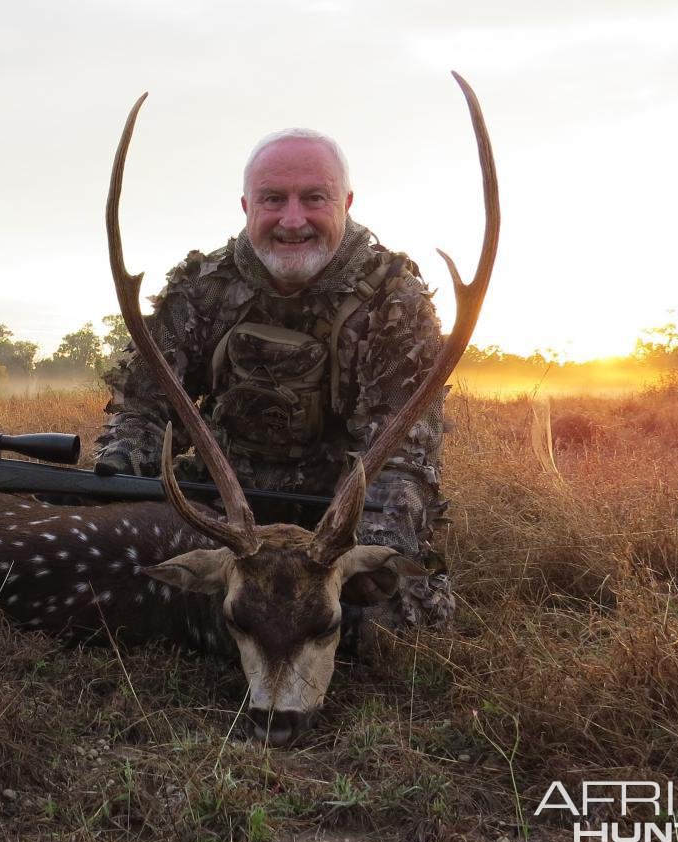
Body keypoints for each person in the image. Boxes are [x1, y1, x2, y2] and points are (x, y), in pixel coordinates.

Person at [93, 127, 453, 628]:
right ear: (246, 206)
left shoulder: (395, 302)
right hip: (220, 513)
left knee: (392, 615)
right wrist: (119, 470)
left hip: (338, 524)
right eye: (273, 199)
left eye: (313, 198)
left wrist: (370, 549)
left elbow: (404, 459)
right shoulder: (202, 289)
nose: (292, 220)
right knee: (110, 562)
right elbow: (144, 410)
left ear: (345, 202)